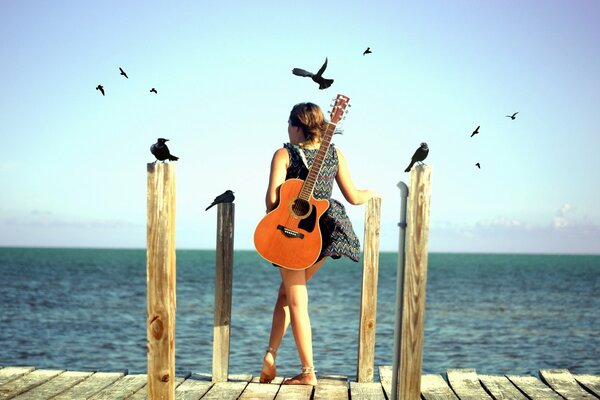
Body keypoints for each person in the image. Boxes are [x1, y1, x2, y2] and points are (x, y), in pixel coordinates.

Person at [259, 102, 377, 386]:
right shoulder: (335, 155)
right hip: (324, 231)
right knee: (286, 296)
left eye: (289, 125)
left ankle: (308, 372)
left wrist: (289, 196)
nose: (287, 131)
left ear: (297, 126)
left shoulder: (284, 154)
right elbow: (353, 196)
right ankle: (270, 356)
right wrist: (372, 193)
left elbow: (271, 202)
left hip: (293, 233)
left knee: (297, 300)